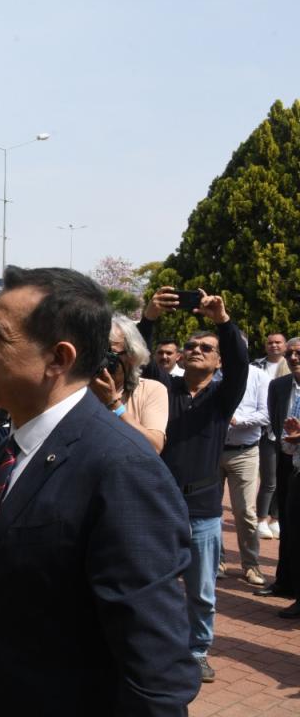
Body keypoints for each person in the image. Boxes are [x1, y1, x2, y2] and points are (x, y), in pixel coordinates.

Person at [0, 267, 199, 717]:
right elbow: (1, 594)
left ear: (58, 358)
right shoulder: (13, 446)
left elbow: (157, 671)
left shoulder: (122, 468)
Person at [138, 286, 248, 683]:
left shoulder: (222, 399)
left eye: (207, 346)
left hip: (203, 512)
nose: (197, 349)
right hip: (160, 509)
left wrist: (223, 321)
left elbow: (240, 364)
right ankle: (156, 646)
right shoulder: (164, 391)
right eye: (191, 345)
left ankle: (198, 650)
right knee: (154, 584)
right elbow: (141, 359)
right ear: (182, 356)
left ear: (217, 360)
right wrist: (149, 318)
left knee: (201, 592)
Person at [220, 354, 270, 587]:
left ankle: (251, 564)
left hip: (245, 452)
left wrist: (238, 420)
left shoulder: (259, 376)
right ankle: (217, 562)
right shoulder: (214, 374)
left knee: (245, 513)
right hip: (213, 451)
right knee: (210, 512)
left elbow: (266, 414)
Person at [257, 337, 300, 609]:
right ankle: (284, 581)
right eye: (291, 353)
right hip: (286, 460)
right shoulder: (280, 385)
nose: (294, 357)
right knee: (288, 522)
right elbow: (274, 419)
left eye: (299, 353)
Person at [87, 315, 168, 454]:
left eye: (109, 352)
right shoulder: (77, 389)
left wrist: (114, 405)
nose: (101, 359)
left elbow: (154, 447)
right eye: (97, 350)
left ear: (132, 355)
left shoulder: (151, 390)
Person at [254, 332, 289, 540]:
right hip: (264, 431)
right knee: (269, 479)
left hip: (286, 432)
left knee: (282, 476)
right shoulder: (257, 366)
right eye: (270, 342)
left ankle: (275, 518)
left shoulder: (292, 366)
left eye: (278, 342)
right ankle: (261, 519)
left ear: (284, 346)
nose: (274, 346)